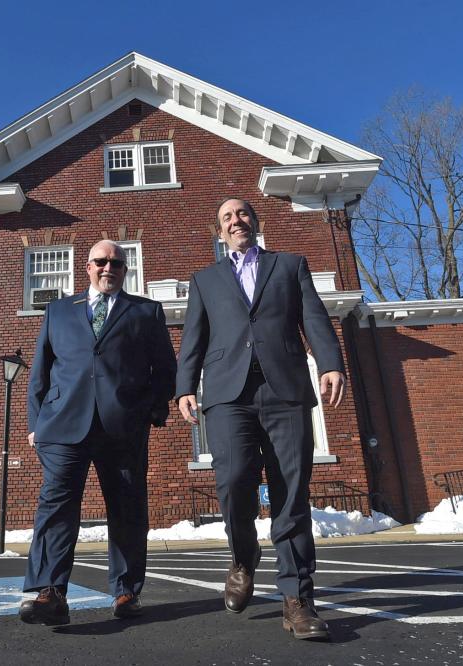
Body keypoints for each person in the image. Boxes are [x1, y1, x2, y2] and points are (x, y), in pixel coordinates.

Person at [176, 198, 346, 641]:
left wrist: (330, 362)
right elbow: (193, 337)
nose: (237, 221)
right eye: (227, 217)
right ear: (219, 231)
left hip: (284, 389)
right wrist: (183, 387)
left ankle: (297, 599)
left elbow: (314, 316)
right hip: (228, 394)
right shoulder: (205, 280)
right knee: (232, 481)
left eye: (243, 213)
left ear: (257, 221)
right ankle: (242, 559)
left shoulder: (289, 266)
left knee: (291, 493)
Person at [20, 240, 177, 626]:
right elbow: (40, 370)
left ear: (126, 270)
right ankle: (50, 591)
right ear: (87, 267)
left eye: (117, 264)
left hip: (122, 426)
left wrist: (150, 413)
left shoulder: (146, 311)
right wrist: (36, 423)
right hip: (61, 423)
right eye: (101, 262)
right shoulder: (58, 311)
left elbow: (166, 370)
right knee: (55, 504)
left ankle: (126, 591)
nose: (109, 268)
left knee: (126, 507)